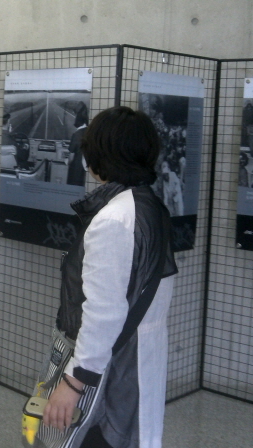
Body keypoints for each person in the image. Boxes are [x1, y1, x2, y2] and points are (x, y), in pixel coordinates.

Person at [43, 106, 178, 448]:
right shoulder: (150, 206)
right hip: (135, 358)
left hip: (111, 368)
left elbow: (104, 313)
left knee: (98, 437)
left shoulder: (114, 219)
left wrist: (74, 383)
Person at [67, 102, 89, 186]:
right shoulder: (89, 131)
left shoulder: (76, 135)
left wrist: (67, 161)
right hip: (85, 171)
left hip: (76, 171)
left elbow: (71, 158)